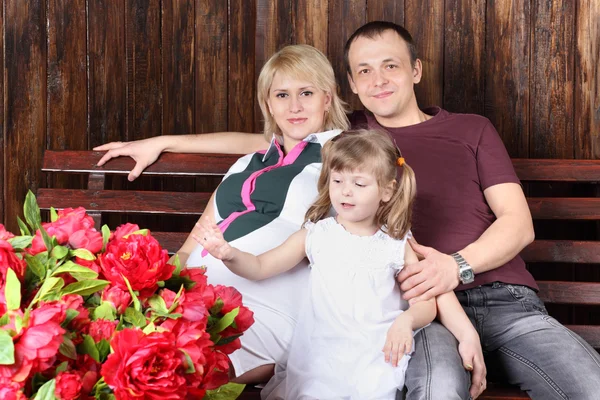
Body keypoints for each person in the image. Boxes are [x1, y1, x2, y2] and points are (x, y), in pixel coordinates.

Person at [195, 130, 457, 399]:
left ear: (387, 191)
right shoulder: (316, 235)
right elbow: (260, 267)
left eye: (359, 184)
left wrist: (407, 321)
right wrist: (229, 254)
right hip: (322, 360)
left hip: (377, 358)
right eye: (338, 180)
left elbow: (425, 303)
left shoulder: (396, 243)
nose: (346, 191)